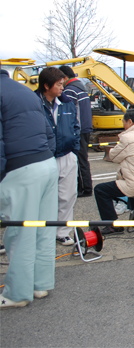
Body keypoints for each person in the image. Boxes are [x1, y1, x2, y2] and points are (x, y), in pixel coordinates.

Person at [0, 69, 59, 308]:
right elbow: (49, 132)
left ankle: (17, 294)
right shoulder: (24, 91)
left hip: (20, 168)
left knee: (19, 233)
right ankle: (41, 285)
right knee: (43, 229)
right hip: (46, 164)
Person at [94, 109, 134, 235]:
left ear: (129, 121)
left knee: (100, 190)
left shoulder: (128, 138)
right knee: (132, 178)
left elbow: (113, 156)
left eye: (123, 122)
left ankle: (112, 225)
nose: (123, 125)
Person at [35, 68, 80, 246]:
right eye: (59, 85)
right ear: (46, 85)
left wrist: (74, 150)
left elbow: (75, 127)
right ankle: (42, 232)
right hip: (44, 157)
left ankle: (62, 232)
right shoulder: (34, 103)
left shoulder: (67, 102)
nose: (62, 88)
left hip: (66, 154)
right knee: (43, 197)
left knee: (68, 195)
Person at [59, 65, 93, 197]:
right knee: (83, 159)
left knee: (79, 160)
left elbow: (69, 113)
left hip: (78, 129)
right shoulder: (81, 87)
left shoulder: (70, 91)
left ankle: (84, 189)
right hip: (85, 127)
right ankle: (86, 187)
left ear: (65, 77)